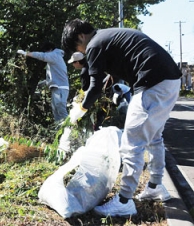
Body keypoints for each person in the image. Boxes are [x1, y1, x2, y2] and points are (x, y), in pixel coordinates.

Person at [61, 19, 181, 217]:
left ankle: (124, 201)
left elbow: (95, 86)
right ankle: (155, 186)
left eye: (77, 47)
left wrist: (81, 108)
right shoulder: (106, 37)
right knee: (153, 137)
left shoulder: (94, 44)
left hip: (153, 82)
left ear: (81, 36)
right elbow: (113, 74)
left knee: (131, 142)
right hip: (167, 80)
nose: (81, 51)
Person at [17, 42, 69, 122]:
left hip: (60, 88)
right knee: (56, 113)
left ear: (50, 50)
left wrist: (26, 53)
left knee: (61, 111)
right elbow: (54, 77)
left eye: (46, 52)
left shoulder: (54, 55)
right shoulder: (54, 60)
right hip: (57, 88)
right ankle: (61, 132)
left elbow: (42, 56)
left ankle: (71, 131)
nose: (45, 54)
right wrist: (43, 83)